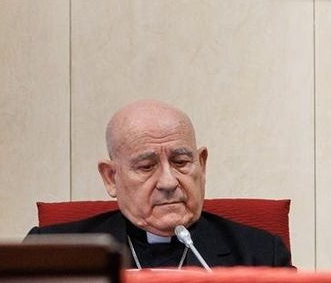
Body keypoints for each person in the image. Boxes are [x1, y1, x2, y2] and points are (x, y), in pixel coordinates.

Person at [28, 100, 291, 268]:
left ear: (202, 164)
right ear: (111, 178)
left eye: (181, 161)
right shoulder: (51, 253)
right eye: (146, 166)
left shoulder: (261, 255)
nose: (168, 182)